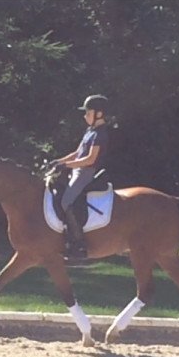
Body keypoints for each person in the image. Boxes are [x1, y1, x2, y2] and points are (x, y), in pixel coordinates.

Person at [50, 94, 110, 261]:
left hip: (86, 172)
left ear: (99, 114)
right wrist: (59, 161)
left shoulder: (100, 134)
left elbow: (90, 159)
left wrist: (66, 166)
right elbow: (77, 153)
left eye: (88, 112)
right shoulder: (90, 131)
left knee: (66, 201)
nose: (85, 116)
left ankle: (78, 243)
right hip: (77, 170)